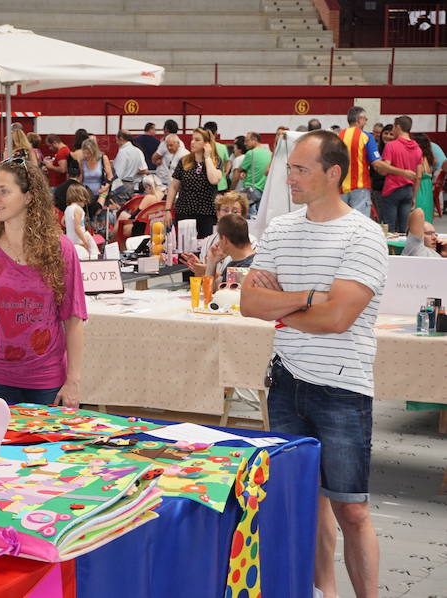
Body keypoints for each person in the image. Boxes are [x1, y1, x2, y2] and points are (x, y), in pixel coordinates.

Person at [240, 130, 387, 598]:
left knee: (352, 509)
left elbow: (339, 317)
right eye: (290, 169)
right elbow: (248, 304)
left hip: (342, 389)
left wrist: (281, 306)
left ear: (334, 173)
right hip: (285, 382)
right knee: (307, 503)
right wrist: (306, 298)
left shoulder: (363, 235)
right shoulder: (281, 229)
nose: (290, 177)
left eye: (301, 169)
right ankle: (323, 591)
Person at [0, 158, 87, 407]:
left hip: (45, 379)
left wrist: (73, 381)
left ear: (29, 196)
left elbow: (73, 318)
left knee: (45, 446)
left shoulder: (61, 250)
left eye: (4, 191)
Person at [163, 128, 222, 239]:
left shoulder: (215, 161)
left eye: (197, 140)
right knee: (184, 246)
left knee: (205, 246)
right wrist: (167, 210)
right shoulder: (184, 161)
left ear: (206, 144)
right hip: (184, 211)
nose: (192, 142)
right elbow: (174, 186)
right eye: (192, 139)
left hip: (207, 212)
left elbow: (213, 180)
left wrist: (207, 157)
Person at [181, 190, 256, 277]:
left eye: (235, 211)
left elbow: (240, 280)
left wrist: (208, 269)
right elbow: (205, 281)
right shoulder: (209, 241)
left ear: (242, 216)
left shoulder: (250, 242)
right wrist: (198, 267)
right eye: (225, 210)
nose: (229, 214)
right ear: (218, 214)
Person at [376, 115, 421, 233]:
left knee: (389, 227)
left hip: (392, 188)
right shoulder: (417, 148)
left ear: (397, 127)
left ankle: (390, 251)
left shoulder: (391, 145)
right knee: (403, 227)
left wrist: (380, 167)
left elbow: (384, 170)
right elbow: (419, 175)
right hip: (408, 190)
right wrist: (414, 196)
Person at [338, 106, 384, 218]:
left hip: (340, 187)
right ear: (359, 119)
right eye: (365, 119)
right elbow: (376, 163)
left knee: (340, 221)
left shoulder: (338, 136)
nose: (366, 122)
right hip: (360, 186)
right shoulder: (366, 136)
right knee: (360, 222)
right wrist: (402, 172)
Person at [204, 213, 255, 290]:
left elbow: (220, 294)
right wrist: (212, 262)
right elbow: (211, 290)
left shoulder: (247, 267)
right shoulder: (234, 263)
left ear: (224, 240)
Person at [239, 131, 272, 216]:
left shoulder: (251, 153)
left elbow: (240, 169)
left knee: (246, 217)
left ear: (254, 140)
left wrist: (242, 172)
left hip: (250, 190)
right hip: (264, 190)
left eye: (247, 140)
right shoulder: (270, 153)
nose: (245, 144)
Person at [64, 184, 98, 260]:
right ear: (81, 197)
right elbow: (77, 228)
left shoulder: (68, 208)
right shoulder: (78, 210)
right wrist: (85, 241)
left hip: (70, 240)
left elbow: (63, 222)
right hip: (79, 241)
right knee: (93, 255)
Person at [112, 129, 149, 195]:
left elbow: (118, 173)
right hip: (132, 185)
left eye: (116, 139)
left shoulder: (123, 152)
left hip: (122, 185)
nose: (116, 142)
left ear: (121, 138)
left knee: (119, 205)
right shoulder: (137, 150)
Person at [411, 133, 435, 223]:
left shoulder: (419, 158)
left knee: (418, 213)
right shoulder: (429, 158)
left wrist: (413, 196)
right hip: (427, 189)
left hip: (419, 188)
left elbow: (418, 176)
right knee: (427, 212)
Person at [151, 119, 180, 184]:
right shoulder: (180, 142)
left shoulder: (165, 143)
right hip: (176, 178)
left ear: (166, 129)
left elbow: (154, 158)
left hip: (164, 178)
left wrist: (157, 160)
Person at [204, 121, 230, 191]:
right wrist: (225, 173)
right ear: (216, 133)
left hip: (206, 185)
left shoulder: (203, 147)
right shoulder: (222, 147)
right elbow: (228, 162)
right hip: (221, 184)